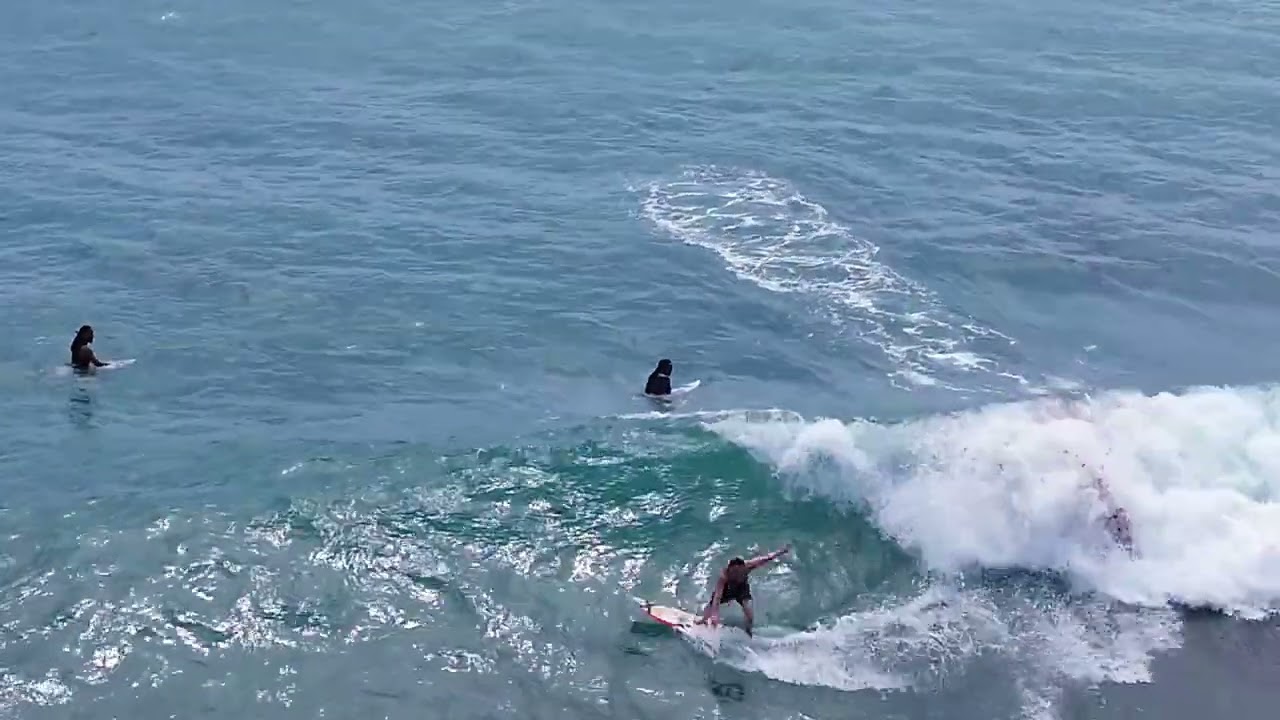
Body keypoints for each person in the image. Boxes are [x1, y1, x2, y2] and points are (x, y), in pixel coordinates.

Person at [698, 543, 791, 636]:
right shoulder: (724, 576)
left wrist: (782, 551)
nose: (736, 574)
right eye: (734, 572)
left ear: (743, 568)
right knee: (711, 606)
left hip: (741, 589)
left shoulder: (749, 566)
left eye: (739, 572)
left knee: (749, 613)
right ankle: (703, 620)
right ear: (730, 569)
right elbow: (717, 596)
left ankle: (748, 631)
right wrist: (714, 614)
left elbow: (767, 557)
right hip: (728, 589)